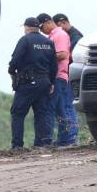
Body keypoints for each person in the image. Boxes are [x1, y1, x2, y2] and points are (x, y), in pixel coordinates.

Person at [8, 17, 57, 149]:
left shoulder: (25, 40)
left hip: (28, 82)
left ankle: (17, 145)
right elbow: (54, 66)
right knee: (41, 113)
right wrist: (51, 82)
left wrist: (11, 71)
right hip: (45, 82)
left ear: (27, 27)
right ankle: (42, 143)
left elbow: (15, 60)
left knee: (17, 112)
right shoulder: (48, 42)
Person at [37, 13, 78, 146]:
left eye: (41, 27)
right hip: (58, 76)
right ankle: (65, 138)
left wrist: (43, 56)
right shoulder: (53, 36)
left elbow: (63, 54)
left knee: (63, 108)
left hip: (60, 75)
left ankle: (69, 138)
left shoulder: (59, 35)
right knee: (60, 108)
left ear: (48, 23)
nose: (41, 31)